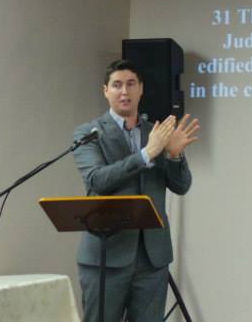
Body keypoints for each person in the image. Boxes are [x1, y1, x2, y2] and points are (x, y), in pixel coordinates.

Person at [72, 59, 199, 322]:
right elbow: (98, 180)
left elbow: (181, 186)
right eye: (117, 85)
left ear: (141, 89)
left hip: (152, 258)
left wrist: (174, 156)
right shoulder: (89, 133)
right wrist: (146, 154)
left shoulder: (158, 132)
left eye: (131, 84)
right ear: (105, 90)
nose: (124, 91)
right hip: (106, 255)